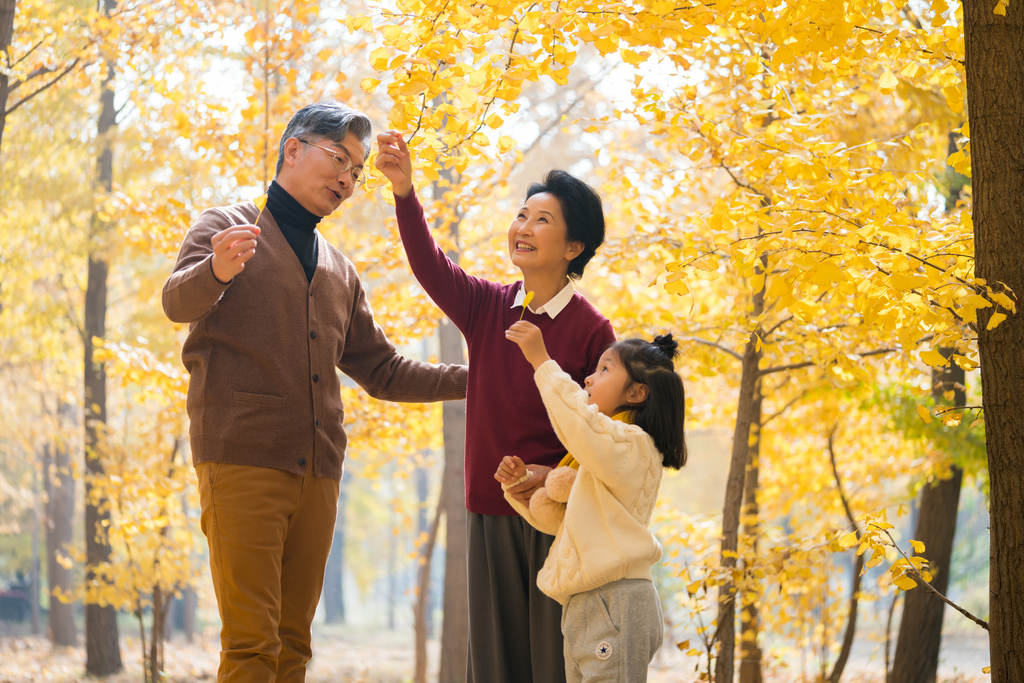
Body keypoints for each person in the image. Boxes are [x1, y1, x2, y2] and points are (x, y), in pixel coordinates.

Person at [162, 101, 467, 683]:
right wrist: (218, 271)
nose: (348, 180)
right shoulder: (225, 224)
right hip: (241, 458)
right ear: (294, 149)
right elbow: (177, 303)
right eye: (339, 160)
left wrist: (481, 380)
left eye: (356, 171)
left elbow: (384, 371)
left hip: (320, 473)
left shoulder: (340, 270)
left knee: (294, 646)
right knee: (252, 646)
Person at [376, 131, 616, 682]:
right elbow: (430, 266)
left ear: (573, 247)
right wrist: (405, 192)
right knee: (493, 663)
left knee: (549, 661)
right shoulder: (487, 305)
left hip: (556, 516)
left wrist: (550, 475)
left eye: (542, 220)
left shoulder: (593, 329)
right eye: (521, 215)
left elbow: (603, 429)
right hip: (488, 507)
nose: (522, 228)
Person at [497, 323, 687, 682]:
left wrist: (542, 362)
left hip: (613, 599)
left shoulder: (632, 445)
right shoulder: (605, 457)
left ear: (636, 393)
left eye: (604, 370)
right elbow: (569, 525)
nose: (588, 379)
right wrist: (521, 487)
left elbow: (580, 422)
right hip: (589, 601)